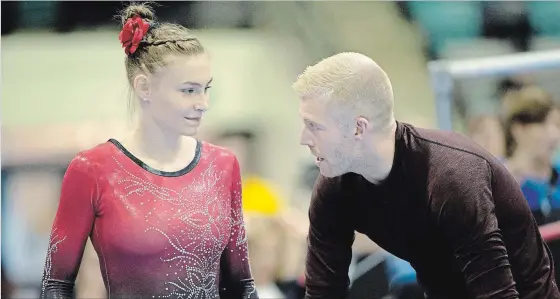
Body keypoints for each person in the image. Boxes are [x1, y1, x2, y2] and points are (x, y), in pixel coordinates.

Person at [292, 52, 560, 299]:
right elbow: (323, 292)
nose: (304, 139)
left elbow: (497, 294)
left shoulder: (451, 177)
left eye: (314, 126)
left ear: (358, 129)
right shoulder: (334, 187)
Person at [40, 4, 258, 299]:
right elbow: (56, 285)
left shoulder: (222, 164)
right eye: (188, 90)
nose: (203, 103)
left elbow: (242, 285)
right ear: (145, 87)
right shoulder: (92, 169)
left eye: (207, 89)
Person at [502, 86, 560, 225]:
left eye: (557, 125)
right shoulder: (498, 182)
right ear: (519, 129)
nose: (554, 135)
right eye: (543, 125)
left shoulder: (557, 174)